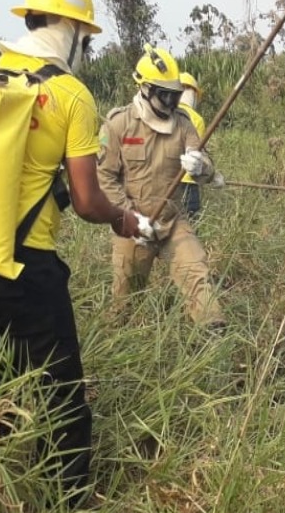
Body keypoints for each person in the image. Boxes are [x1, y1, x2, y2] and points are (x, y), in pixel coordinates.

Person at [0, 0, 148, 509]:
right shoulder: (68, 94)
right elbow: (86, 200)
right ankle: (68, 503)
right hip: (25, 266)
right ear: (74, 32)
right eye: (86, 36)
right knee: (61, 395)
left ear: (31, 19)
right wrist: (121, 218)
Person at [96, 46, 227, 331]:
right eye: (163, 94)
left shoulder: (183, 124)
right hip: (132, 226)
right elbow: (105, 178)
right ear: (144, 89)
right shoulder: (119, 124)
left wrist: (201, 166)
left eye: (175, 95)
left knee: (199, 279)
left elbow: (207, 168)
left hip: (173, 222)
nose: (170, 102)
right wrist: (131, 218)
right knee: (124, 303)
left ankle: (215, 339)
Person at [176, 72, 224, 219]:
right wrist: (213, 176)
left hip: (163, 184)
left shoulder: (163, 113)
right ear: (194, 94)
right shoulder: (195, 118)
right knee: (189, 232)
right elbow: (197, 154)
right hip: (188, 184)